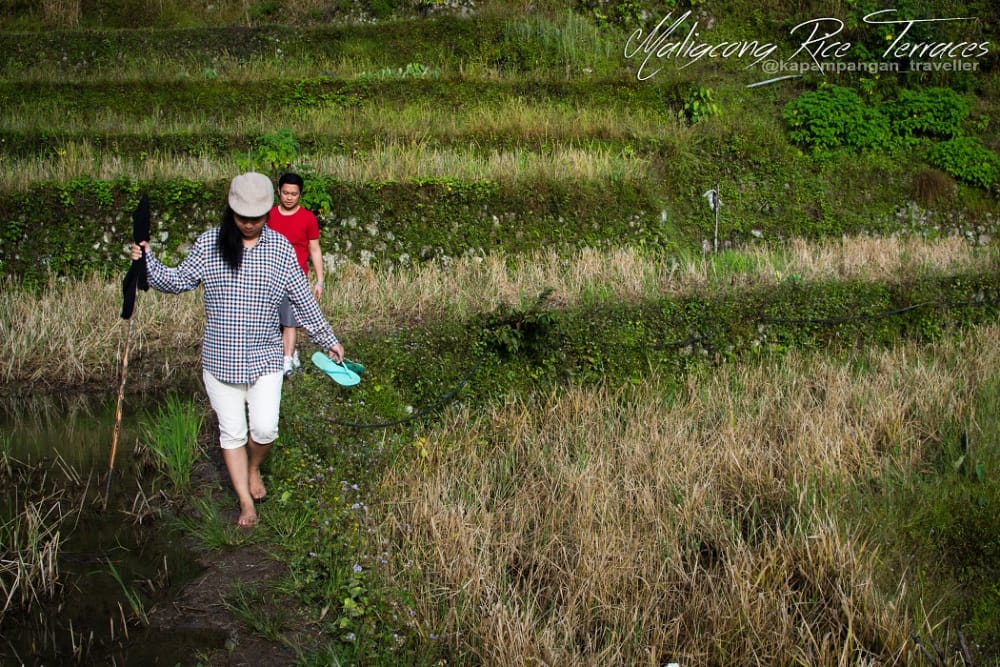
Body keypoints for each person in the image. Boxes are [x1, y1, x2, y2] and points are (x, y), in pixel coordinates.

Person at [131, 172, 345, 527]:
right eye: (241, 216)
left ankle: (254, 466)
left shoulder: (279, 250)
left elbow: (304, 301)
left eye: (256, 217)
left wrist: (328, 339)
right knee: (231, 433)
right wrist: (146, 260)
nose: (248, 223)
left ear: (267, 213)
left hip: (265, 358)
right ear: (230, 211)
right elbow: (176, 281)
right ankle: (246, 503)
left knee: (264, 429)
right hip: (220, 361)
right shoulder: (209, 244)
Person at [267, 172, 324, 376]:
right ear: (279, 192)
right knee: (276, 320)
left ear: (300, 194)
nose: (289, 197)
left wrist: (320, 281)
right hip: (271, 277)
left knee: (290, 321)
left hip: (296, 278)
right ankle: (292, 352)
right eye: (285, 193)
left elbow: (314, 250)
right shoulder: (269, 216)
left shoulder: (308, 218)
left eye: (294, 193)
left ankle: (286, 361)